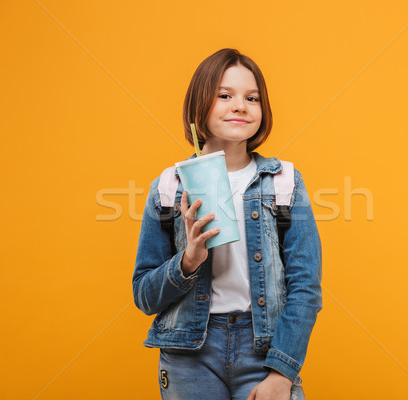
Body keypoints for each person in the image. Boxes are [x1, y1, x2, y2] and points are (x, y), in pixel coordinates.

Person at [132, 48, 322, 400]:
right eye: (224, 95)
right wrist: (188, 261)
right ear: (198, 107)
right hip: (190, 353)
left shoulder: (284, 182)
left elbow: (306, 288)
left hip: (265, 349)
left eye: (252, 98)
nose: (240, 106)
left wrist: (283, 371)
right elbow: (144, 296)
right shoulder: (169, 187)